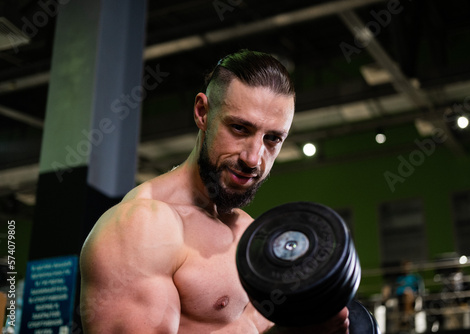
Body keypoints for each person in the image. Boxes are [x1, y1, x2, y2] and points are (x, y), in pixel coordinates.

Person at [79, 50, 349, 333]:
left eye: (272, 139)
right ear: (202, 112)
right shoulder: (140, 227)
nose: (254, 158)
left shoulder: (250, 233)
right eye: (240, 128)